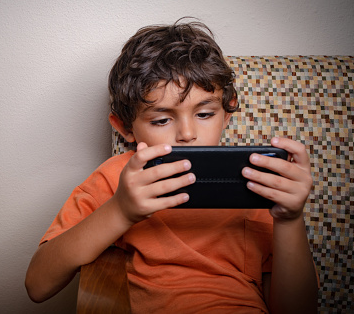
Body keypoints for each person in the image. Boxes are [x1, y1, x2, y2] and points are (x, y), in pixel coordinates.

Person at [25, 18, 318, 313]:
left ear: (227, 113)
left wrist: (290, 219)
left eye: (204, 114)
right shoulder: (119, 178)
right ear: (125, 128)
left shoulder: (257, 182)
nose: (187, 134)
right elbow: (38, 285)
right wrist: (121, 209)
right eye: (162, 120)